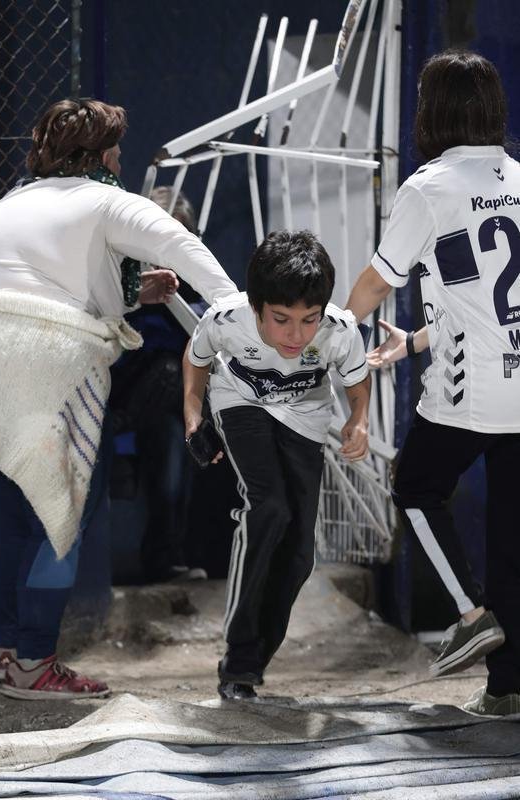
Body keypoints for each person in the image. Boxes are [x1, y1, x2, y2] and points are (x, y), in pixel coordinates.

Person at [0, 97, 238, 700]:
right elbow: (182, 246)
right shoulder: (106, 198)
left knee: (4, 523)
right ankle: (37, 664)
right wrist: (241, 318)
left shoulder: (13, 201)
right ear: (107, 153)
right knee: (60, 523)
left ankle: (10, 651)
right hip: (34, 372)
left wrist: (135, 293)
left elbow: (46, 286)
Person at [346, 51, 520, 716]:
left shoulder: (428, 187)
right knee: (509, 538)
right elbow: (486, 295)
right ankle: (506, 688)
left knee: (416, 485)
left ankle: (471, 613)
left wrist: (327, 329)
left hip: (470, 391)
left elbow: (375, 282)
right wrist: (416, 337)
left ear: (432, 108)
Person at [183, 230, 370, 700]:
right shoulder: (226, 319)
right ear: (256, 307)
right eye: (281, 320)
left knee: (300, 556)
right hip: (240, 400)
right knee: (269, 508)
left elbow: (356, 384)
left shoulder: (340, 330)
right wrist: (192, 416)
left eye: (309, 320)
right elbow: (196, 359)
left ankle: (250, 663)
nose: (296, 335)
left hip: (306, 414)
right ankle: (240, 659)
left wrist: (359, 422)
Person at [109, 187, 207, 583]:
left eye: (175, 239)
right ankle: (116, 428)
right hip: (120, 389)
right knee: (168, 372)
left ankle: (165, 559)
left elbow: (214, 318)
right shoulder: (121, 271)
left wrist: (179, 302)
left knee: (177, 436)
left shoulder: (194, 277)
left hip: (168, 402)